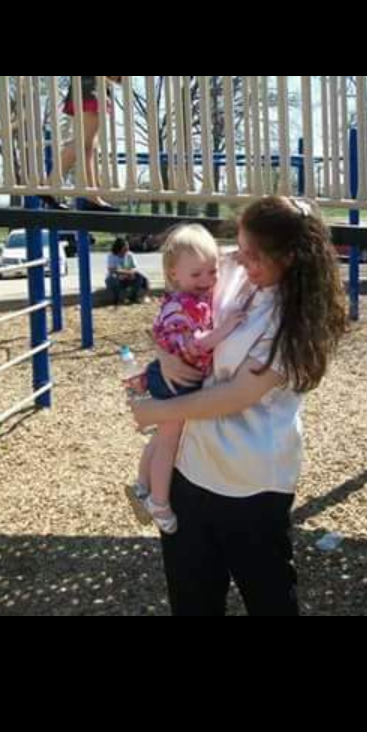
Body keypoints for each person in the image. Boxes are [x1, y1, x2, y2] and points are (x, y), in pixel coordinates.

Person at [128, 197, 347, 615]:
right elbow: (178, 308)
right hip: (190, 467)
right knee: (192, 597)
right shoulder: (233, 270)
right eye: (239, 247)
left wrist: (156, 413)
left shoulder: (294, 320)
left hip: (250, 483)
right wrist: (165, 355)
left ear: (290, 258)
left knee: (268, 596)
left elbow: (236, 396)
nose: (238, 260)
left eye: (252, 254)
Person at [125, 224, 246, 534]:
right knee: (169, 441)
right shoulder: (183, 306)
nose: (206, 281)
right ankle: (159, 502)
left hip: (170, 374)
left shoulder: (181, 297)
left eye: (212, 272)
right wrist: (226, 328)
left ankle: (141, 484)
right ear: (173, 274)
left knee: (161, 435)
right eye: (197, 275)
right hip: (175, 381)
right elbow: (196, 343)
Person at [59, 76, 122, 208]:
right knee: (84, 142)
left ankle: (92, 195)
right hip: (90, 88)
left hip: (85, 87)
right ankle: (51, 181)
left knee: (89, 146)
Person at [105, 238, 149, 306]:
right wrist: (125, 273)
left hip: (128, 276)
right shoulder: (112, 255)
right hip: (116, 277)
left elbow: (134, 267)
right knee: (112, 278)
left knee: (140, 277)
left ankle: (133, 297)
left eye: (127, 246)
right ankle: (116, 299)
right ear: (119, 247)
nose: (127, 248)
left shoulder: (129, 255)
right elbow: (112, 270)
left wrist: (131, 273)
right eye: (125, 247)